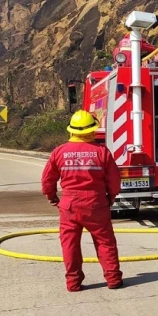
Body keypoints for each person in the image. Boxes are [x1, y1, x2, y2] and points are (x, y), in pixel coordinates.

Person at [41, 110, 123, 291]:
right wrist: (110, 197)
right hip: (96, 203)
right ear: (92, 130)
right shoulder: (101, 152)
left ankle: (73, 282)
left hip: (69, 205)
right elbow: (114, 181)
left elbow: (47, 180)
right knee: (105, 242)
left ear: (72, 130)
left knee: (69, 244)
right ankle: (113, 279)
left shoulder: (59, 151)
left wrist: (52, 197)